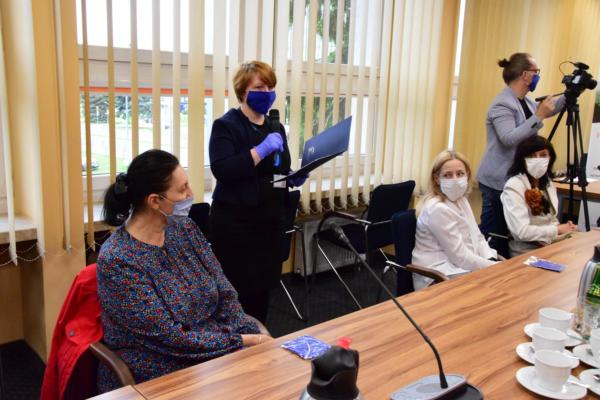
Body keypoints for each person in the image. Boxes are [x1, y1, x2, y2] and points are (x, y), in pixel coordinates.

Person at [96, 149, 269, 392]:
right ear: (155, 201)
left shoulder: (184, 228)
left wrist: (246, 330)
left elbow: (224, 290)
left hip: (214, 346)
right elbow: (169, 338)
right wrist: (243, 341)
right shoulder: (118, 259)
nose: (191, 194)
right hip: (157, 364)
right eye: (183, 189)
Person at [208, 61, 306, 323]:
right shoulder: (226, 126)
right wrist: (259, 151)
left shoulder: (275, 126)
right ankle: (235, 342)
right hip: (236, 224)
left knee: (262, 291)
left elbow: (276, 170)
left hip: (270, 221)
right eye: (260, 87)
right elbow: (223, 170)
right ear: (243, 90)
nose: (267, 93)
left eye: (271, 87)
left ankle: (259, 338)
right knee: (238, 293)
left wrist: (291, 177)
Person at [477, 52, 565, 258]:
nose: (538, 76)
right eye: (536, 72)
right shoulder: (502, 104)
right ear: (525, 75)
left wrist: (570, 94)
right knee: (495, 236)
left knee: (511, 235)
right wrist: (539, 115)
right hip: (497, 181)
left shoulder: (525, 102)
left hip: (516, 177)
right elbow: (508, 138)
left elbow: (549, 109)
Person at [412, 150, 499, 290]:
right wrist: (494, 267)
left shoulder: (462, 200)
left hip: (460, 268)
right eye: (447, 175)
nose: (455, 179)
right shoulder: (437, 208)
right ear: (437, 179)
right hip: (438, 275)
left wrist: (490, 258)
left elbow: (477, 236)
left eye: (460, 174)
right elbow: (460, 256)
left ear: (467, 175)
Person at [501, 136, 577, 256]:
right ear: (522, 159)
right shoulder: (514, 186)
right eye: (532, 156)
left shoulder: (548, 183)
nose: (538, 160)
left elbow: (552, 218)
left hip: (550, 244)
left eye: (543, 155)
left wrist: (566, 228)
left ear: (550, 158)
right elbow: (521, 232)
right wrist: (557, 229)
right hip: (526, 250)